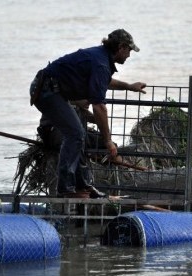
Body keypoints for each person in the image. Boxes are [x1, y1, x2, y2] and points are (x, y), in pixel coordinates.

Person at [30, 29, 146, 198]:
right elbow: (99, 107)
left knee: (78, 134)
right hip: (47, 91)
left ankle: (83, 186)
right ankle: (67, 188)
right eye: (129, 50)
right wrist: (108, 142)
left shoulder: (101, 58)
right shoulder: (100, 63)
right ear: (121, 47)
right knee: (75, 133)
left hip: (54, 91)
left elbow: (105, 81)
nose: (129, 55)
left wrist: (129, 86)